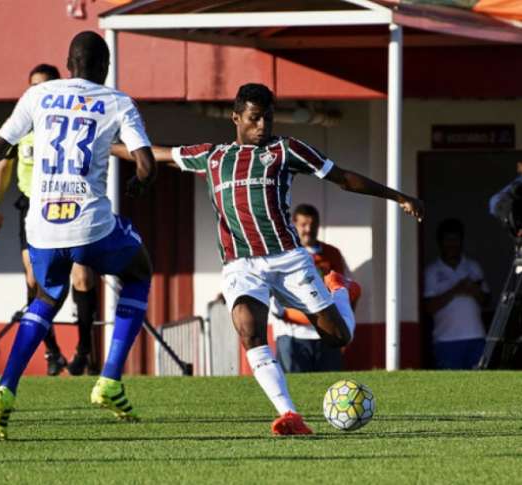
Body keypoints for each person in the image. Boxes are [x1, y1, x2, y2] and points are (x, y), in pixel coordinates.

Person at [112, 83, 423, 435]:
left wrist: (398, 196)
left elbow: (343, 179)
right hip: (241, 265)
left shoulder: (286, 150)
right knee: (248, 330)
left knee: (338, 337)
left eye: (268, 119)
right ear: (236, 118)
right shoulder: (213, 156)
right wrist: (105, 146)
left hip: (289, 259)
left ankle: (340, 290)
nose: (263, 126)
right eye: (255, 118)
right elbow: (156, 153)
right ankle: (290, 415)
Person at [0, 31, 157, 441]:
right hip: (90, 221)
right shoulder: (117, 101)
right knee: (139, 270)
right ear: (104, 67)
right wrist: (141, 183)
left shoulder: (38, 95)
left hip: (41, 225)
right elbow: (146, 163)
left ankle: (4, 390)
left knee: (45, 298)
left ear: (68, 62)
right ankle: (110, 380)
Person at [0, 64, 99, 376]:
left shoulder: (71, 122)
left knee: (82, 278)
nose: (39, 91)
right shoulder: (21, 123)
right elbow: (1, 166)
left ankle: (85, 348)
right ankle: (51, 351)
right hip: (32, 207)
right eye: (33, 85)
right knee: (35, 280)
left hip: (69, 202)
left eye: (45, 85)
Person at [270, 204, 361, 373]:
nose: (308, 230)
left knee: (329, 387)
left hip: (328, 334)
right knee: (295, 388)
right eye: (303, 225)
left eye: (313, 225)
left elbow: (348, 291)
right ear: (293, 224)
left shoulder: (332, 254)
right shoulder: (282, 253)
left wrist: (345, 327)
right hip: (293, 335)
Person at [424, 219, 489, 369]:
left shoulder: (473, 266)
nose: (452, 244)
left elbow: (486, 301)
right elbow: (429, 308)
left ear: (461, 241)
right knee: (451, 388)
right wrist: (456, 290)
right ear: (440, 243)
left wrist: (473, 290)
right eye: (448, 239)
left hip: (477, 337)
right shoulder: (432, 271)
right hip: (446, 340)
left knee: (479, 385)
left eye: (456, 239)